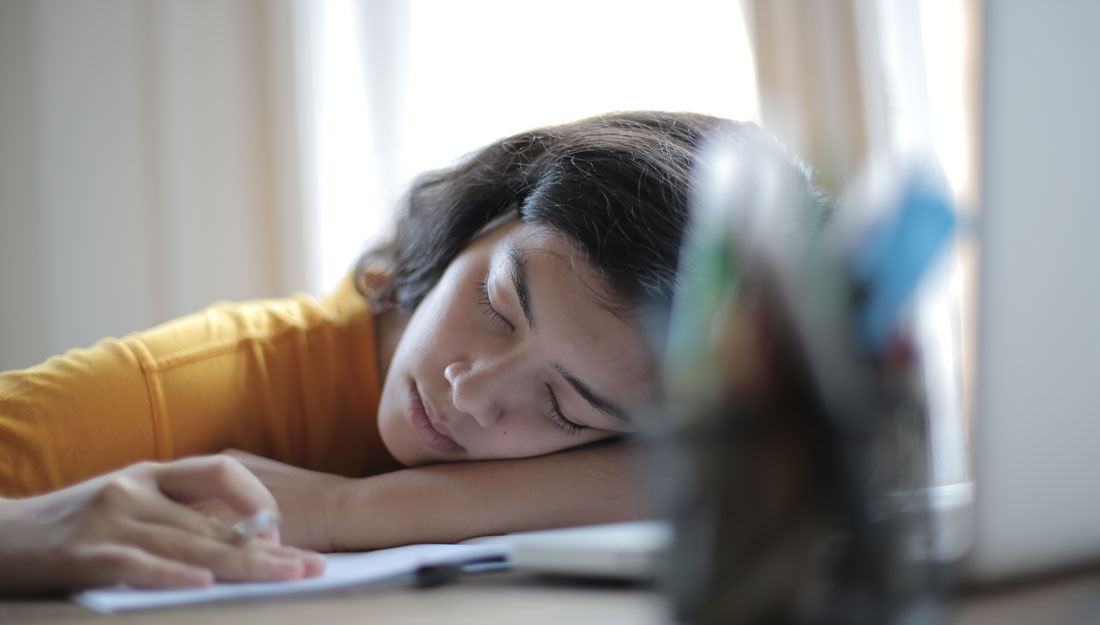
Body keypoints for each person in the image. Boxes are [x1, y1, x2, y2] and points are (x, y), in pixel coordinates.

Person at [0, 111, 807, 594]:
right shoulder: (184, 388)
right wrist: (28, 532)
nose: (473, 390)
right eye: (496, 306)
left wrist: (349, 511)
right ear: (481, 222)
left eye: (562, 405)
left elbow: (773, 460)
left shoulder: (626, 440)